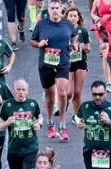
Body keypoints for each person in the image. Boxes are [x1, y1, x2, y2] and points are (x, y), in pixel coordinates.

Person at [31, 0, 78, 140]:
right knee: (50, 96)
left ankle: (63, 125)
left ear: (61, 9)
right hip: (46, 65)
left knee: (63, 93)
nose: (55, 10)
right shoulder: (42, 24)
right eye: (52, 8)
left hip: (63, 63)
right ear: (48, 9)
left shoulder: (67, 24)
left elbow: (74, 35)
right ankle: (50, 122)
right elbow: (32, 41)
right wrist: (39, 44)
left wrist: (73, 43)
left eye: (57, 8)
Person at [65, 7, 91, 124]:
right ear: (66, 17)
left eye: (75, 16)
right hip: (67, 63)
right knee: (68, 92)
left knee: (77, 92)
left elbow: (89, 48)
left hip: (80, 63)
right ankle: (63, 103)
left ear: (78, 18)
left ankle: (76, 115)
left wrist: (82, 46)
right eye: (71, 16)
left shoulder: (83, 31)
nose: (73, 18)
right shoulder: (63, 30)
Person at [90, 0, 111, 91]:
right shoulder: (97, 1)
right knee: (105, 56)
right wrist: (95, 17)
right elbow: (92, 12)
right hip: (102, 30)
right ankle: (109, 82)